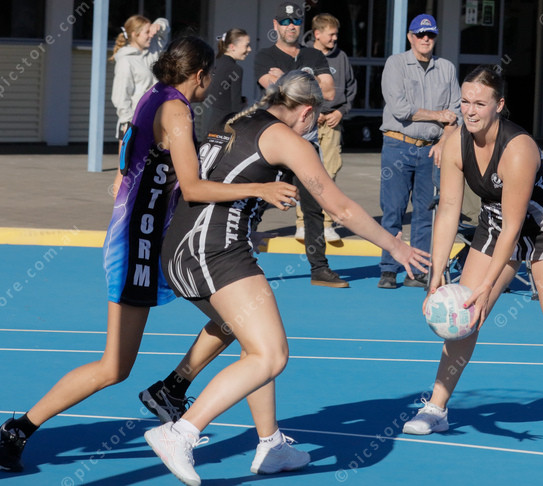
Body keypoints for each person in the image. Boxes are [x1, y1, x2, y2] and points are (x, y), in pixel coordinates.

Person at [0, 36, 299, 473]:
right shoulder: (176, 110)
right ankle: (18, 430)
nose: (212, 83)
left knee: (237, 318)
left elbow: (138, 167)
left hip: (147, 238)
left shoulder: (154, 96)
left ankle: (173, 388)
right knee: (114, 366)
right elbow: (193, 187)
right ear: (200, 75)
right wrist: (260, 188)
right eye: (211, 75)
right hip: (137, 245)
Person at [143, 70, 431, 485]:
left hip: (189, 245)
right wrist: (396, 247)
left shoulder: (240, 119)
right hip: (212, 250)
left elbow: (217, 180)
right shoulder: (286, 139)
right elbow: (340, 208)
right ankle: (180, 433)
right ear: (308, 111)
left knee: (255, 346)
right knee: (271, 354)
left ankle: (271, 444)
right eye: (320, 116)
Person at [401, 66, 543, 452]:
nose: (470, 110)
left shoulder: (519, 148)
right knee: (465, 318)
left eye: (480, 103)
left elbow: (514, 229)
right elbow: (448, 210)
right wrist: (436, 275)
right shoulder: (456, 142)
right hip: (496, 220)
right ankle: (437, 408)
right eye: (465, 102)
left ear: (499, 105)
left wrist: (487, 287)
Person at [254, 1, 349, 288]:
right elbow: (272, 91)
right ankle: (239, 261)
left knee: (313, 208)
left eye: (295, 21)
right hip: (273, 145)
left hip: (306, 145)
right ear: (275, 25)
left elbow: (329, 91)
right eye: (284, 22)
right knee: (255, 205)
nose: (290, 26)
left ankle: (319, 268)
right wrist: (307, 81)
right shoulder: (264, 56)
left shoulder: (313, 54)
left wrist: (283, 79)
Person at [378, 14, 461, 289]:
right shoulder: (396, 64)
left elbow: (456, 112)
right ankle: (389, 269)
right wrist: (439, 115)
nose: (426, 39)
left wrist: (444, 141)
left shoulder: (446, 68)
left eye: (430, 35)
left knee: (425, 213)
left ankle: (418, 271)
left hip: (431, 149)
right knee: (393, 210)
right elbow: (401, 109)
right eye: (420, 34)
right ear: (410, 37)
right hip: (398, 145)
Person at [295, 13, 357, 243]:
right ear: (317, 34)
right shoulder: (303, 55)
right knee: (305, 173)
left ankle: (327, 224)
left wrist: (341, 112)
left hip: (333, 123)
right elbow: (294, 88)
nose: (335, 38)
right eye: (331, 34)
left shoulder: (341, 57)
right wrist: (313, 111)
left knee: (330, 173)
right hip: (307, 122)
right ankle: (302, 224)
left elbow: (350, 89)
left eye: (336, 34)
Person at [110, 15, 170, 197]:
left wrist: (158, 25)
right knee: (124, 173)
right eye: (146, 32)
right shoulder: (126, 61)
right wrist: (129, 123)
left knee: (147, 171)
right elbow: (120, 96)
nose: (150, 35)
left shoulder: (153, 50)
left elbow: (165, 28)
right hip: (132, 124)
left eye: (150, 31)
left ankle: (138, 206)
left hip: (153, 121)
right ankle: (120, 210)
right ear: (135, 34)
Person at [206, 28, 252, 131]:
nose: (249, 49)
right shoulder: (235, 69)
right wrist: (243, 104)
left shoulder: (215, 63)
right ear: (232, 47)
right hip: (225, 126)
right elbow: (235, 107)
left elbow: (219, 94)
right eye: (247, 45)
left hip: (211, 124)